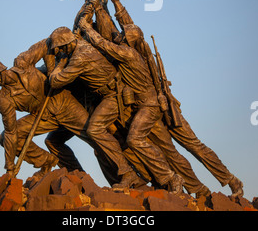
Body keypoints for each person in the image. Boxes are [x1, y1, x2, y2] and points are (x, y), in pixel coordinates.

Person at [98, 0, 244, 199]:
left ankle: (231, 180)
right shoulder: (133, 48)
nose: (121, 39)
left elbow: (129, 28)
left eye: (124, 39)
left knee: (194, 145)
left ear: (131, 42)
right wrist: (111, 3)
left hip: (166, 106)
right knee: (173, 155)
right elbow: (126, 27)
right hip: (151, 108)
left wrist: (113, 4)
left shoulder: (139, 51)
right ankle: (198, 190)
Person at [77, 15, 185, 195]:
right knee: (122, 141)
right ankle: (139, 178)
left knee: (134, 139)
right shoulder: (129, 53)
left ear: (128, 39)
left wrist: (87, 29)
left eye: (122, 34)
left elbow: (104, 45)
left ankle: (171, 177)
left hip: (149, 106)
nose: (118, 35)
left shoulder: (128, 53)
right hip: (141, 105)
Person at [0, 53, 100, 179]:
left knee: (96, 136)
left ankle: (121, 173)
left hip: (64, 104)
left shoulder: (23, 63)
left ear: (1, 69)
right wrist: (10, 167)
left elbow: (46, 45)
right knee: (5, 138)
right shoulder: (3, 99)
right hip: (43, 117)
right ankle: (50, 163)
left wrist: (51, 69)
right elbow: (11, 132)